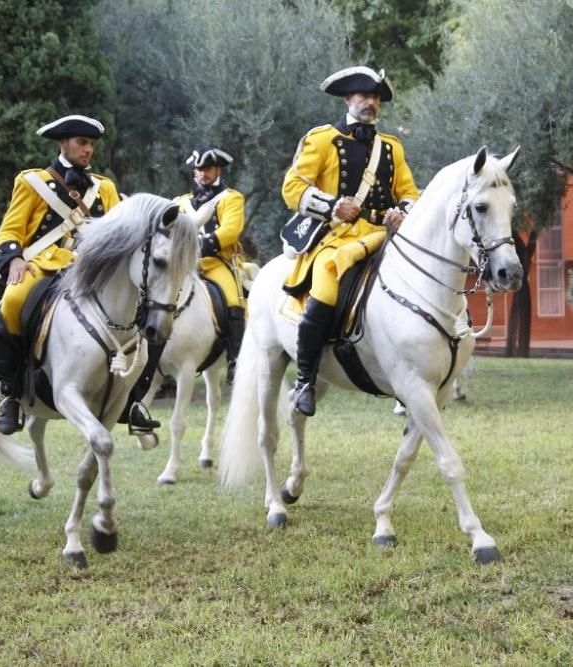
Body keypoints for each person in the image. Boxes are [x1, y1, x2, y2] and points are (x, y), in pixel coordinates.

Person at [281, 66, 420, 416]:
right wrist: (331, 205)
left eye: (375, 97)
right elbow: (292, 188)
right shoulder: (323, 139)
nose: (370, 102)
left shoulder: (391, 147)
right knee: (326, 288)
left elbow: (409, 192)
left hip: (382, 237)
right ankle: (304, 380)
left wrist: (402, 211)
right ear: (348, 99)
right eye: (363, 96)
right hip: (336, 239)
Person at [0, 114, 120, 434]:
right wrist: (14, 260)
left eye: (91, 144)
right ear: (64, 143)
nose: (88, 150)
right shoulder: (32, 182)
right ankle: (11, 394)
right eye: (82, 142)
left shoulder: (105, 188)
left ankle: (132, 398)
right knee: (14, 302)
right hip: (42, 265)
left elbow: (118, 233)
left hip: (90, 270)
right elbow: (10, 229)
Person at [174, 146, 247, 383]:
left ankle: (235, 360)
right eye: (198, 169)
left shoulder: (231, 198)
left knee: (233, 300)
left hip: (218, 262)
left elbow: (230, 231)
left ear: (218, 170)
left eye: (207, 169)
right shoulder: (180, 202)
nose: (202, 174)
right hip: (185, 263)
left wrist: (199, 244)